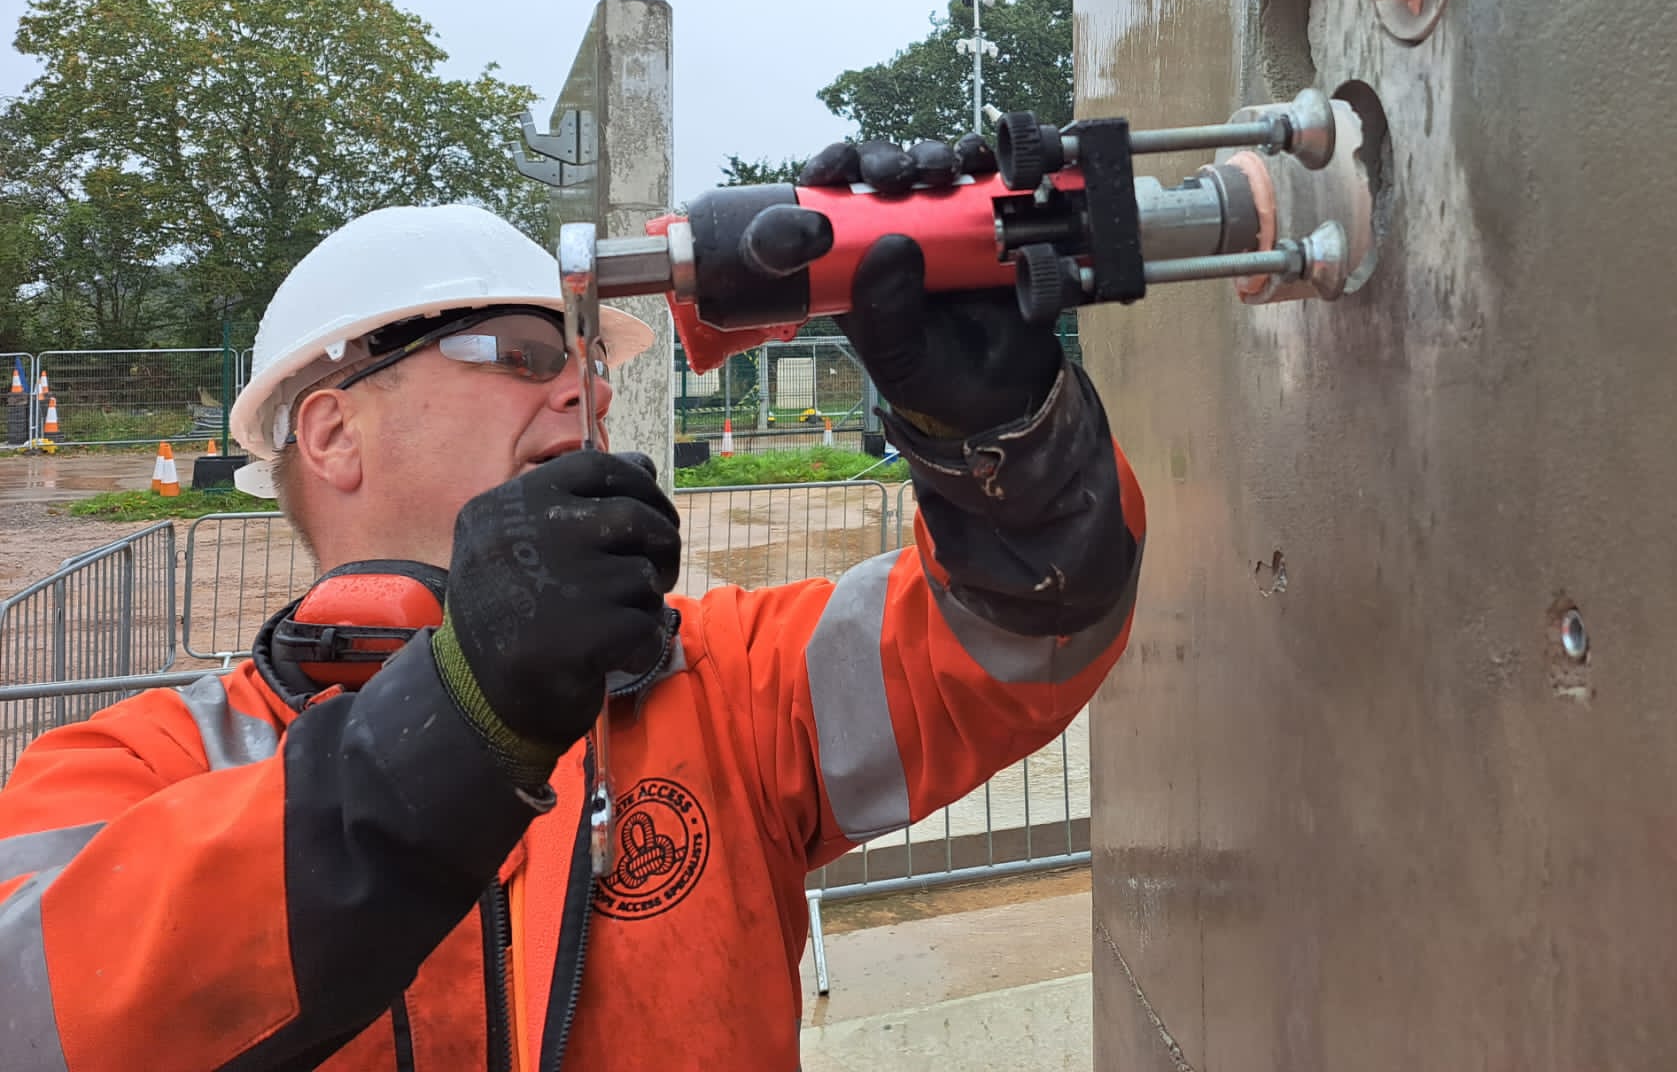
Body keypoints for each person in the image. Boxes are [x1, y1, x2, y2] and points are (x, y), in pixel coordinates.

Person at [0, 134, 1146, 1072]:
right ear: (334, 431)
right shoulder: (138, 765)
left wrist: (1001, 441)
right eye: (517, 352)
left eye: (586, 355)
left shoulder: (723, 689)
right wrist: (459, 716)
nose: (584, 387)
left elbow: (1020, 629)